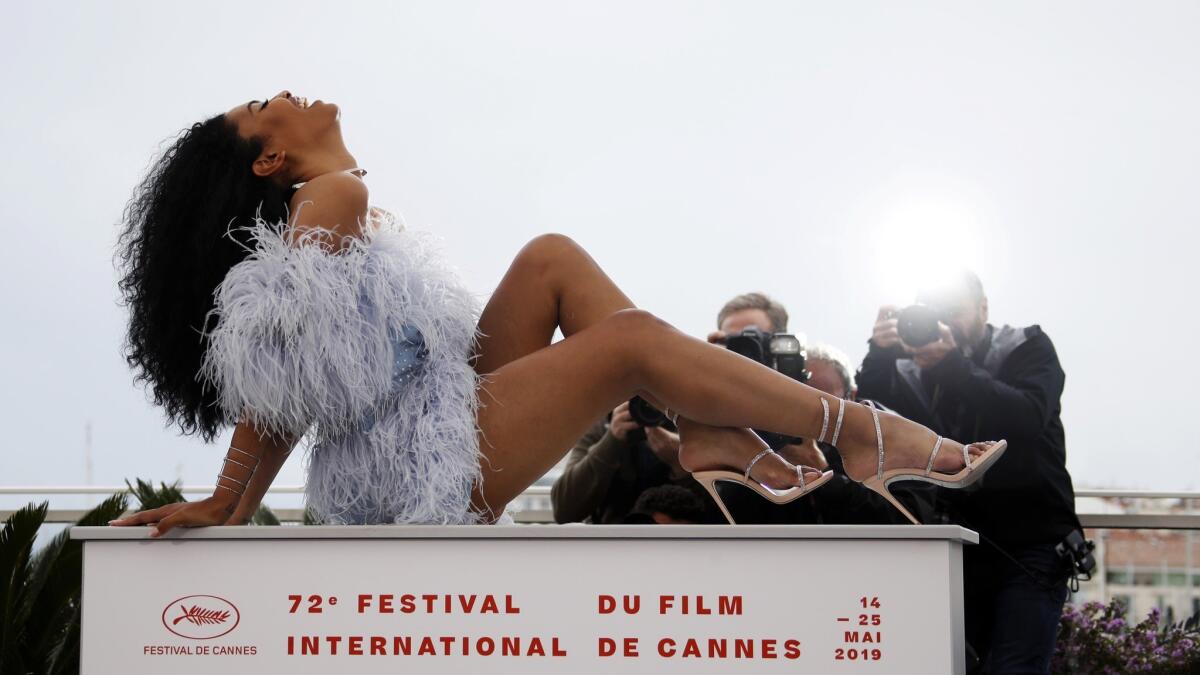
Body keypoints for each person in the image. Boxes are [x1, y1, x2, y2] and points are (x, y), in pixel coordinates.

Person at [110, 90, 1002, 536]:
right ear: (269, 162)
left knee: (549, 259)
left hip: (425, 415)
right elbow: (282, 359)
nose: (291, 94)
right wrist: (230, 498)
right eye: (269, 105)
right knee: (630, 345)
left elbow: (294, 365)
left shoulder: (346, 207)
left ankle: (713, 433)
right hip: (412, 463)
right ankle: (859, 430)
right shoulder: (331, 197)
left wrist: (232, 503)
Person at [856, 270, 1079, 673]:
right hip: (951, 545)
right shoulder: (911, 368)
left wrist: (951, 368)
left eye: (954, 311)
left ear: (983, 309)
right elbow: (872, 424)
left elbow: (1026, 418)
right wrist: (879, 355)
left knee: (1016, 668)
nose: (945, 322)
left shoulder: (1026, 346)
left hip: (1031, 543)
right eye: (934, 311)